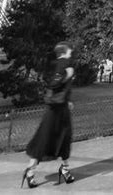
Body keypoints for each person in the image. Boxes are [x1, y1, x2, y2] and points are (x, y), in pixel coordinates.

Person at [22, 42, 75, 189]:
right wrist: (67, 76)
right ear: (64, 52)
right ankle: (31, 171)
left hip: (60, 108)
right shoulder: (63, 63)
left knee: (61, 138)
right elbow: (54, 84)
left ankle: (61, 169)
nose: (71, 51)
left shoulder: (61, 63)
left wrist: (68, 100)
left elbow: (62, 88)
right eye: (69, 50)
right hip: (55, 111)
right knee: (47, 139)